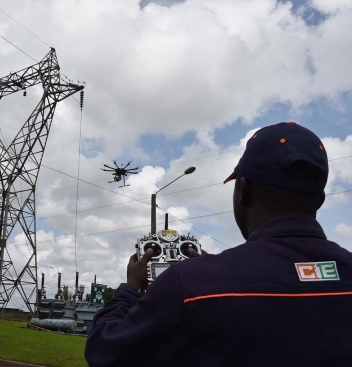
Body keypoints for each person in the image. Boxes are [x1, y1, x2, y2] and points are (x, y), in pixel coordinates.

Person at [85, 122, 352, 366]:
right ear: (320, 199)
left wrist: (130, 289)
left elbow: (105, 352)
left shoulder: (189, 285)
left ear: (243, 190)